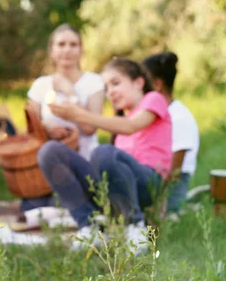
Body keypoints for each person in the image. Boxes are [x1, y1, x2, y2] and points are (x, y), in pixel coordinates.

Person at [42, 58, 172, 255]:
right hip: (116, 194)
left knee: (102, 152)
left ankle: (135, 227)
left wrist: (77, 114)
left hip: (149, 185)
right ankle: (89, 228)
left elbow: (131, 127)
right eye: (106, 87)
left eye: (116, 83)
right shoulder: (120, 123)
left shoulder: (153, 99)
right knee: (50, 152)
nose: (110, 92)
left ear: (138, 82)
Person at [23, 24, 105, 212]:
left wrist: (70, 92)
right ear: (52, 51)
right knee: (30, 208)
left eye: (73, 44)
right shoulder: (40, 85)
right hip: (47, 167)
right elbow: (30, 128)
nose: (67, 49)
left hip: (84, 162)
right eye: (61, 44)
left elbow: (89, 128)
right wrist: (46, 126)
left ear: (81, 50)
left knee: (58, 206)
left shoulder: (93, 82)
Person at [143, 52, 199, 213]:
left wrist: (157, 201)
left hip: (171, 187)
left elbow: (174, 172)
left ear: (157, 84)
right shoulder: (149, 113)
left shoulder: (179, 117)